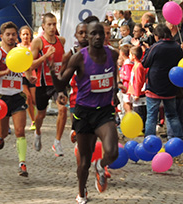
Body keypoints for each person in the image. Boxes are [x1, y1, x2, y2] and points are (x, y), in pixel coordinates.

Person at [50, 21, 119, 203]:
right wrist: (52, 75)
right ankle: (81, 193)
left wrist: (115, 92)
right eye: (93, 34)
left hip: (104, 111)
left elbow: (113, 74)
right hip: (84, 113)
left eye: (101, 34)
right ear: (87, 37)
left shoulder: (113, 54)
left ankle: (100, 165)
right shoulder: (79, 58)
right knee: (84, 162)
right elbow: (61, 84)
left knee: (112, 153)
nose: (97, 37)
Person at [0, 21, 32, 177]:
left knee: (20, 131)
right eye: (8, 35)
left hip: (17, 96)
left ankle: (22, 163)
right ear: (2, 36)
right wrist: (4, 72)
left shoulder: (21, 52)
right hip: (2, 98)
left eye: (13, 34)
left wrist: (30, 77)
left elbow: (27, 70)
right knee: (5, 132)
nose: (11, 37)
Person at [30, 12, 66, 156]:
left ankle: (57, 142)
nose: (52, 27)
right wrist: (45, 56)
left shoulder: (61, 41)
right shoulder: (38, 42)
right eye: (49, 24)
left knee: (62, 109)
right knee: (41, 114)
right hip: (42, 83)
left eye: (54, 24)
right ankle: (38, 132)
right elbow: (30, 65)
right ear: (43, 26)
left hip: (58, 83)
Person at [142, 24, 183, 139]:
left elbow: (145, 63)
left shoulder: (155, 47)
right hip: (171, 85)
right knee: (172, 115)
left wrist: (146, 49)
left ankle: (149, 141)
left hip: (154, 86)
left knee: (151, 116)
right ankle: (178, 140)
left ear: (157, 35)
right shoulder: (177, 46)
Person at [60, 22, 88, 142]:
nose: (84, 35)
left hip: (95, 98)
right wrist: (62, 92)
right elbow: (62, 76)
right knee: (79, 132)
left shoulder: (98, 53)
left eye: (86, 32)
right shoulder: (70, 54)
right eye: (80, 33)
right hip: (76, 97)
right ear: (75, 35)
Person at [17, 25, 36, 130]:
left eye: (27, 34)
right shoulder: (17, 48)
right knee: (27, 97)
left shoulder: (33, 46)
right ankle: (33, 121)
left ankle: (35, 114)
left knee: (34, 100)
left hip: (32, 75)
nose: (25, 36)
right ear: (20, 36)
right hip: (21, 76)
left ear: (30, 35)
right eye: (23, 34)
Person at [127, 45, 147, 127]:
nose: (129, 56)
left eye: (130, 54)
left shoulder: (138, 66)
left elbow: (138, 81)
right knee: (136, 110)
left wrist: (137, 93)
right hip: (134, 92)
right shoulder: (135, 66)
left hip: (139, 93)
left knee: (140, 111)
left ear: (134, 56)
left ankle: (141, 127)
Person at [118, 44, 133, 114]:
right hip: (126, 87)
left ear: (122, 53)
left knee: (127, 105)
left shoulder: (127, 64)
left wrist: (121, 76)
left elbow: (128, 76)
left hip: (127, 87)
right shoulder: (128, 63)